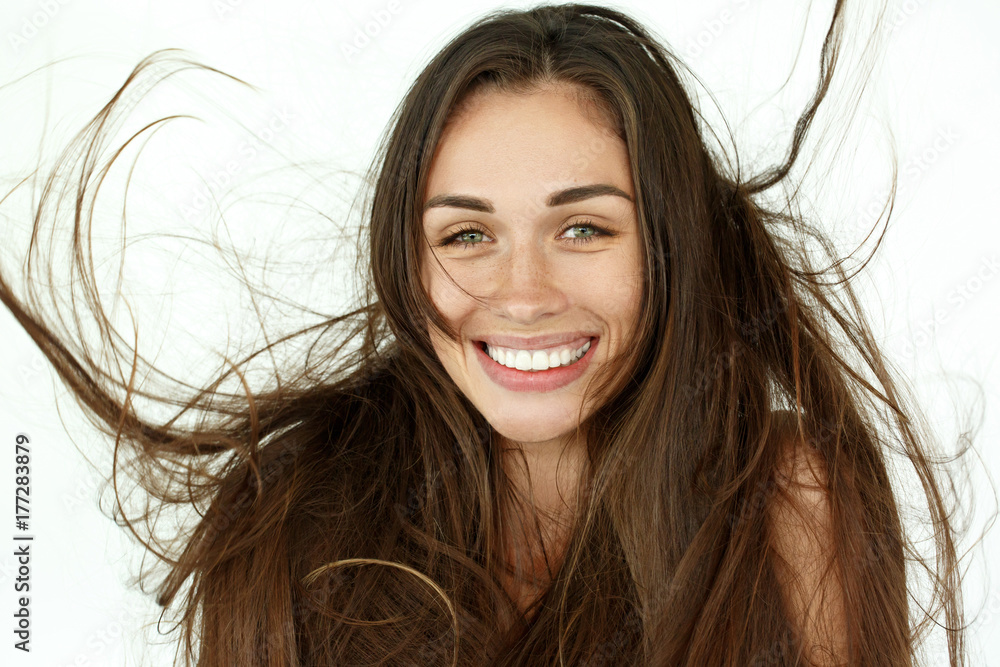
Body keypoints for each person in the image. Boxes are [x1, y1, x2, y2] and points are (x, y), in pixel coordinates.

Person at [0, 2, 971, 665]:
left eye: (582, 227)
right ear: (405, 263)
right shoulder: (294, 509)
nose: (521, 293)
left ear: (671, 245)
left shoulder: (789, 494)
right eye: (466, 234)